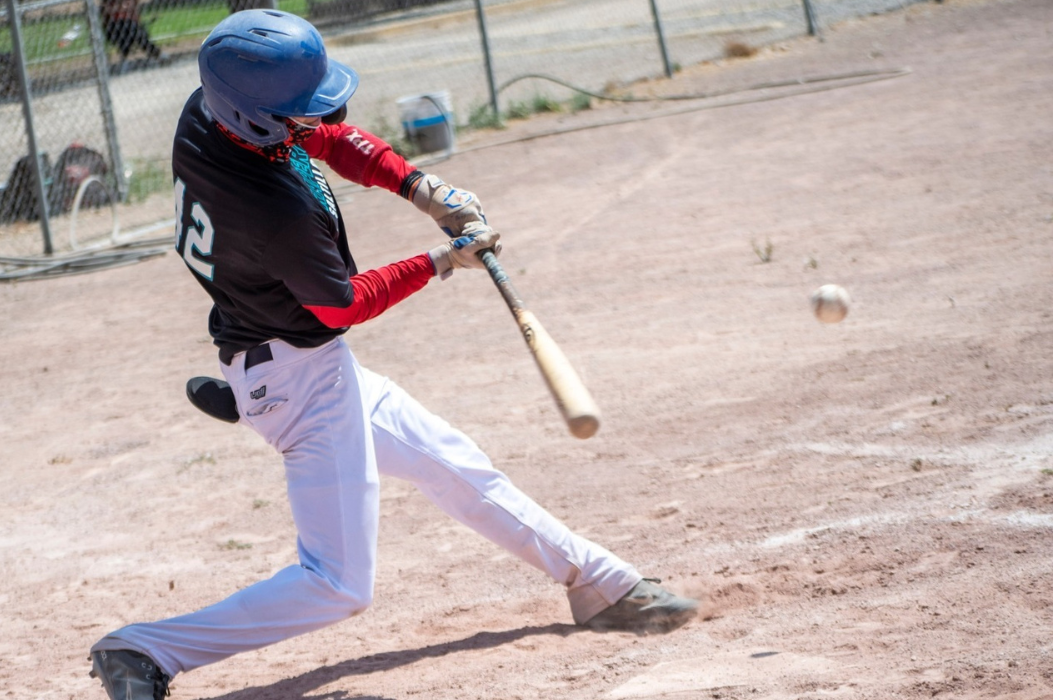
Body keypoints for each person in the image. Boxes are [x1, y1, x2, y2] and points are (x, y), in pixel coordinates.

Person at [88, 11, 697, 700]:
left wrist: (421, 188)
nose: (318, 120)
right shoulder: (273, 210)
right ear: (254, 118)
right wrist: (443, 260)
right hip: (298, 381)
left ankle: (602, 584)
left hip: (289, 357)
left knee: (452, 462)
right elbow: (342, 305)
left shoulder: (207, 115)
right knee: (337, 584)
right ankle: (145, 648)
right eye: (298, 112)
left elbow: (326, 137)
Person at [100, 0, 161, 71]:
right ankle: (155, 52)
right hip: (114, 28)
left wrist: (125, 8)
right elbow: (105, 12)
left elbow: (134, 12)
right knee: (129, 27)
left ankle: (124, 59)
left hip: (131, 26)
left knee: (133, 28)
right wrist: (119, 8)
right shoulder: (109, 2)